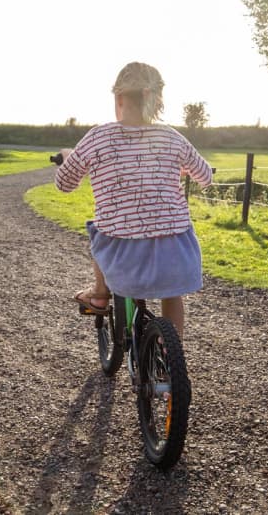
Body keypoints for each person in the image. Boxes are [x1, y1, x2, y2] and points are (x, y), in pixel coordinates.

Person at [54, 62, 213, 339]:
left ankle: (100, 294)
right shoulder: (171, 137)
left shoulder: (98, 137)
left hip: (121, 251)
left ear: (119, 98)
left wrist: (68, 159)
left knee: (99, 228)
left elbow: (64, 184)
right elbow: (205, 176)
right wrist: (182, 168)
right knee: (172, 296)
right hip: (175, 249)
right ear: (157, 98)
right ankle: (168, 355)